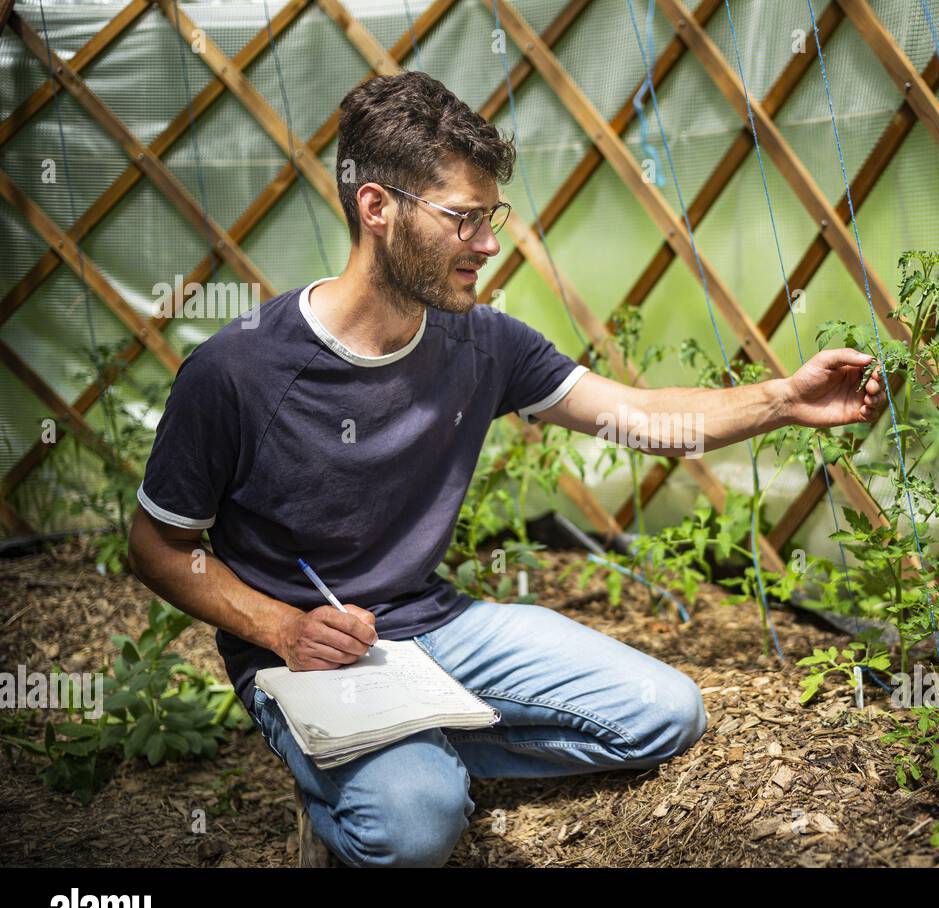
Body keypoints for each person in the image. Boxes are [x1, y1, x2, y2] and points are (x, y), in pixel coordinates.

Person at [126, 72, 886, 867]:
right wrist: (281, 626)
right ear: (377, 208)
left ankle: (413, 747)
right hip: (309, 654)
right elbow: (158, 547)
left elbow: (643, 416)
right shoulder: (238, 371)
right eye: (463, 219)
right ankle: (369, 781)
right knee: (416, 831)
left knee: (667, 713)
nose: (488, 244)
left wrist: (783, 400)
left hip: (436, 626)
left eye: (491, 218)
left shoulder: (484, 342)